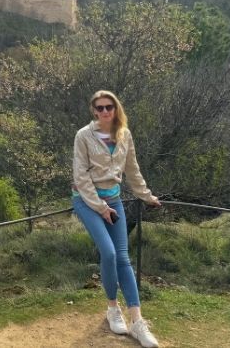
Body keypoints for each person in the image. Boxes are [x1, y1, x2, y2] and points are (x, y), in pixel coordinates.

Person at [72, 90, 161, 348]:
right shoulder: (83, 136)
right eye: (99, 108)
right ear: (93, 110)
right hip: (87, 200)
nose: (104, 112)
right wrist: (100, 208)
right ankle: (112, 309)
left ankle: (137, 321)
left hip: (114, 200)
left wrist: (146, 195)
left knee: (122, 257)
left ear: (115, 108)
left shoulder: (124, 134)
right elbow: (81, 177)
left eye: (108, 107)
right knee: (108, 254)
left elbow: (132, 169)